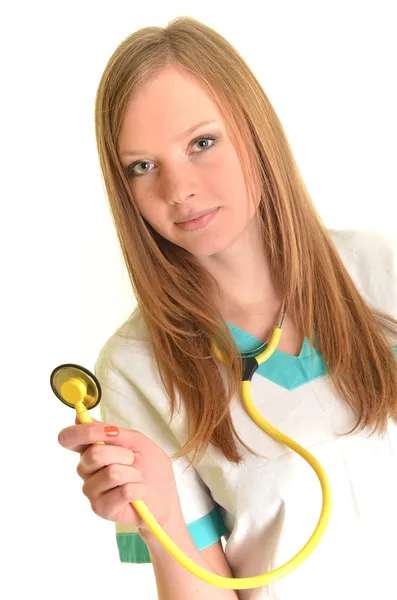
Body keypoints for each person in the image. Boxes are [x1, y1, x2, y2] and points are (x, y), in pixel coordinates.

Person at [57, 16, 397, 600]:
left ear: (254, 133)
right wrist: (155, 505)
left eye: (201, 143)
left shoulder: (381, 268)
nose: (178, 188)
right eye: (143, 166)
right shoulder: (134, 366)